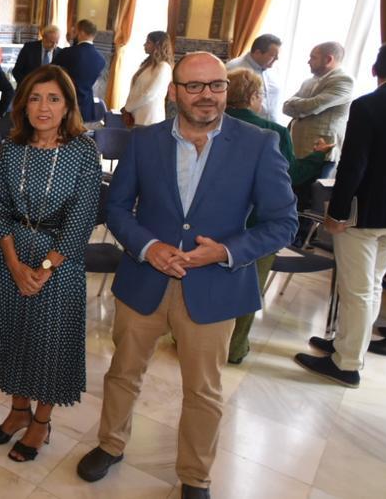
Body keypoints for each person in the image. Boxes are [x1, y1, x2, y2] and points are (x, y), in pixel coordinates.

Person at [75, 52, 296, 499]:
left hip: (213, 288)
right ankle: (111, 444)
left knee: (204, 390)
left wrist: (228, 251)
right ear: (174, 92)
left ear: (226, 89)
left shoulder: (257, 144)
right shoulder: (144, 141)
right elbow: (117, 208)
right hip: (144, 280)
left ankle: (196, 475)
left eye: (215, 85)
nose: (206, 96)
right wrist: (149, 246)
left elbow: (282, 223)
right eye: (193, 86)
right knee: (123, 373)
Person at [0, 65, 101, 462]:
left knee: (48, 343)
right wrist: (11, 263)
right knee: (13, 336)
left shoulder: (83, 151)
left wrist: (44, 269)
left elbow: (81, 219)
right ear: (23, 105)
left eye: (53, 99)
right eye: (34, 98)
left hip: (59, 262)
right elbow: (1, 207)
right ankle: (17, 412)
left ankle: (41, 422)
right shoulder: (12, 148)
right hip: (14, 254)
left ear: (67, 106)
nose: (43, 107)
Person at [295, 40, 386, 388]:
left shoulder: (368, 105)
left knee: (357, 290)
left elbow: (353, 166)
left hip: (364, 216)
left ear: (376, 70)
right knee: (370, 287)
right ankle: (345, 345)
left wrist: (339, 211)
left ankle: (346, 364)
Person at [224, 68, 331, 364]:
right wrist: (319, 156)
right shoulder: (272, 132)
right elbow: (290, 175)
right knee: (249, 289)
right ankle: (234, 348)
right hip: (258, 224)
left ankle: (186, 340)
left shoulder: (210, 123)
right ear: (254, 96)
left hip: (214, 221)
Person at [284, 41, 354, 167]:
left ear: (328, 59)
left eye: (313, 57)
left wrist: (297, 104)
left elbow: (312, 106)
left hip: (320, 153)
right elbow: (285, 107)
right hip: (296, 150)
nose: (308, 61)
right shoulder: (309, 81)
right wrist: (300, 105)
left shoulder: (344, 81)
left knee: (313, 187)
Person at [52, 19, 106, 123]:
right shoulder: (101, 59)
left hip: (65, 102)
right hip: (86, 106)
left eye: (75, 31)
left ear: (81, 33)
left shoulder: (68, 52)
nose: (73, 34)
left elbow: (50, 72)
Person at [225, 33, 282, 122]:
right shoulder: (234, 69)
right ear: (257, 53)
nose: (277, 59)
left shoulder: (273, 70)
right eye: (273, 55)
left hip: (270, 126)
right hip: (245, 126)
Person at [120, 31, 173, 127]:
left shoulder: (163, 67)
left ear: (157, 45)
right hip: (137, 116)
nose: (144, 45)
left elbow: (149, 94)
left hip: (150, 119)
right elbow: (136, 90)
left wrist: (128, 108)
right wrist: (128, 108)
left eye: (148, 42)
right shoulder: (148, 65)